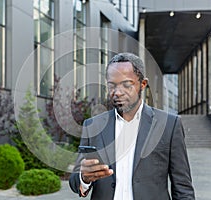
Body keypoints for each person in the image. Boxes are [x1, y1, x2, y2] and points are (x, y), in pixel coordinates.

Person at [69, 52, 195, 199]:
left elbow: (183, 188)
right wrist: (84, 178)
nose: (117, 92)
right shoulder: (93, 125)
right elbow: (75, 181)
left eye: (126, 85)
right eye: (112, 86)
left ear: (142, 84)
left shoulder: (169, 125)